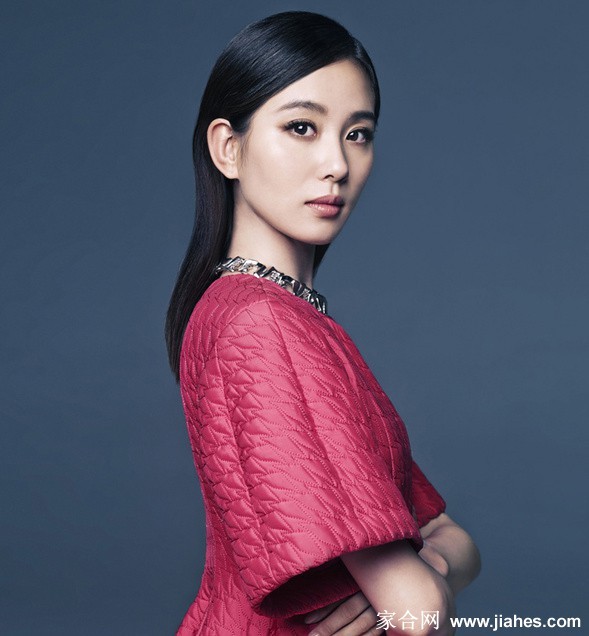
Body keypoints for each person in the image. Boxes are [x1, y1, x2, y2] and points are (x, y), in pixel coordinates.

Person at [165, 11, 481, 636]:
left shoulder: (286, 319)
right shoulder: (260, 325)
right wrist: (425, 578)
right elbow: (417, 612)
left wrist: (436, 561)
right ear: (228, 148)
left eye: (358, 134)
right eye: (302, 127)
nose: (337, 163)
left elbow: (449, 536)